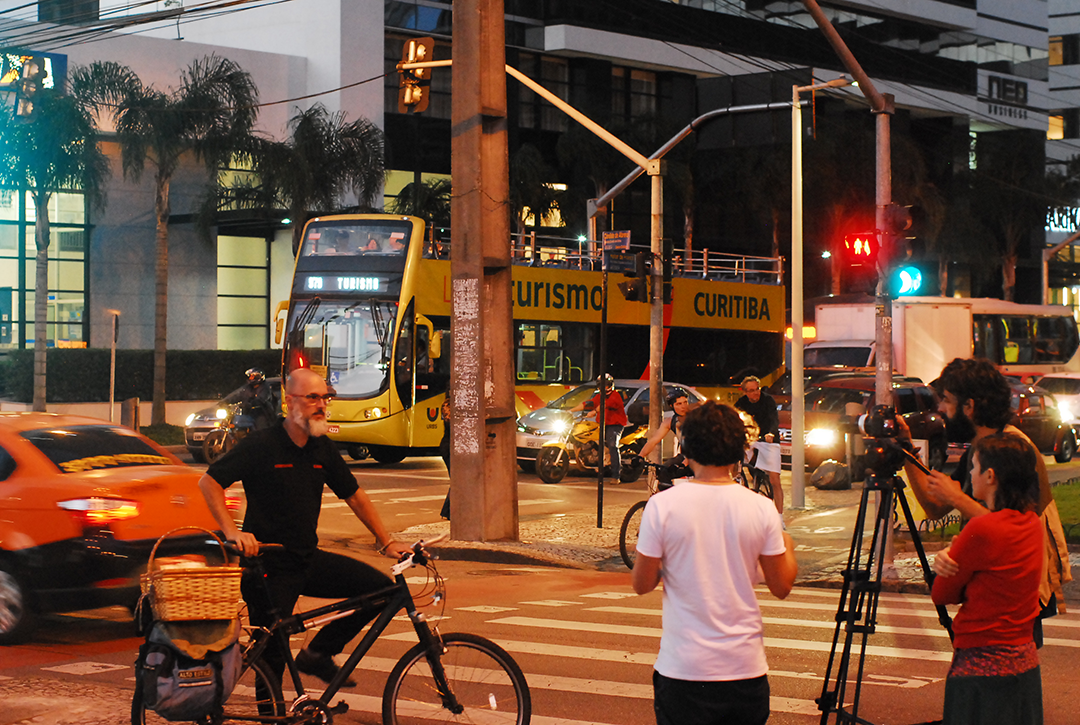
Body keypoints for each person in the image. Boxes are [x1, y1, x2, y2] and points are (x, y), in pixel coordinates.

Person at [198, 368, 411, 688]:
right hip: (268, 566)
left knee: (381, 591)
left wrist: (386, 541)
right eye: (313, 397)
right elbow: (209, 482)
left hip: (306, 558)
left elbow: (354, 495)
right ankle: (262, 710)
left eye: (325, 397)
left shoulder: (321, 447)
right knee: (272, 656)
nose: (321, 405)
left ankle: (318, 654)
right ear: (290, 401)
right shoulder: (262, 444)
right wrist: (233, 532)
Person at [633, 402, 797, 725]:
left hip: (682, 670)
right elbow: (781, 586)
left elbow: (641, 583)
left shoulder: (662, 506)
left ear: (687, 449)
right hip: (744, 671)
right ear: (740, 451)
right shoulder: (761, 508)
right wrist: (787, 545)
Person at [900, 358, 1071, 637]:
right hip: (988, 586)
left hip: (1015, 595)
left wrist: (958, 499)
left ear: (969, 406)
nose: (941, 409)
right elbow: (935, 507)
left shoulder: (1014, 450)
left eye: (947, 400)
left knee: (1012, 659)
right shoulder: (979, 449)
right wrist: (906, 449)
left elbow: (1017, 531)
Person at [931, 432, 1044, 725]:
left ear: (990, 476)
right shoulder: (1032, 523)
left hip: (980, 667)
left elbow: (941, 594)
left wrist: (951, 555)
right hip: (1025, 663)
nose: (971, 473)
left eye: (974, 466)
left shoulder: (980, 529)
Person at [734, 376, 783, 515]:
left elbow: (774, 419)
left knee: (775, 479)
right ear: (745, 392)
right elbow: (733, 419)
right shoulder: (741, 403)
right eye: (751, 391)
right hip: (750, 441)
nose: (755, 393)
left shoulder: (768, 400)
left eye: (757, 389)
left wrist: (771, 433)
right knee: (733, 457)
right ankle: (736, 479)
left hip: (767, 441)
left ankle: (779, 516)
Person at [571, 374, 628, 480]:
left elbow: (605, 404)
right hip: (602, 425)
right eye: (602, 385)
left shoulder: (615, 395)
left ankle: (616, 475)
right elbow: (588, 403)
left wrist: (594, 411)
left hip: (614, 425)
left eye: (606, 385)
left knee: (612, 445)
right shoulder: (599, 396)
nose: (604, 387)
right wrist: (570, 411)